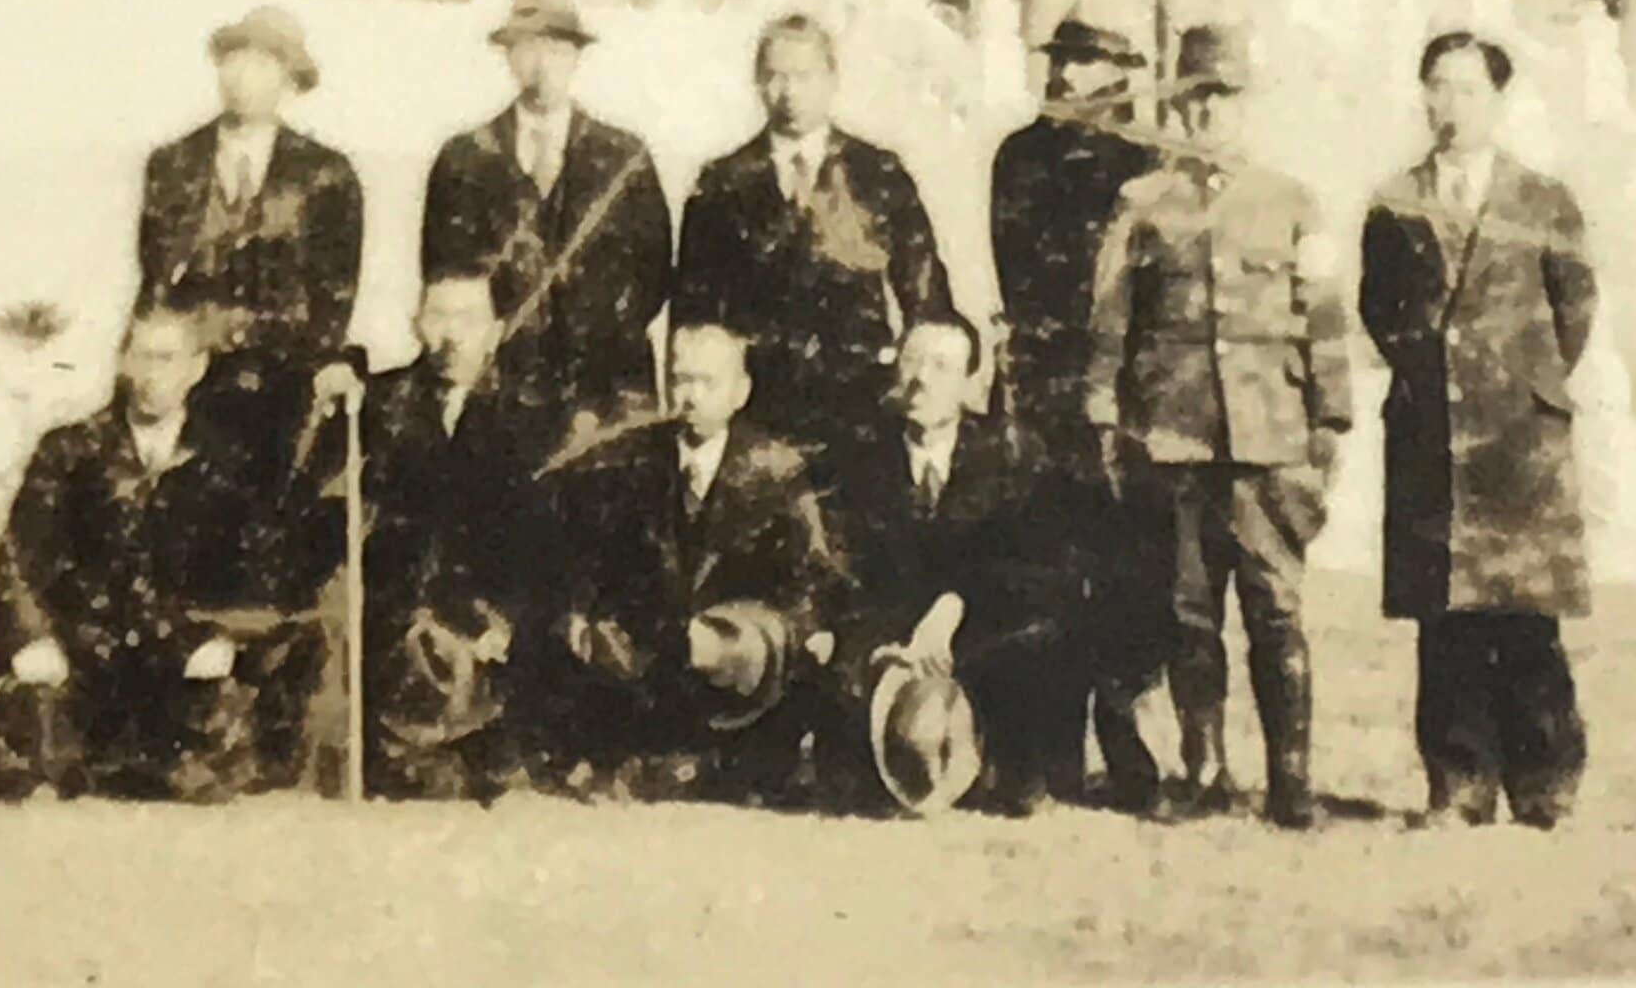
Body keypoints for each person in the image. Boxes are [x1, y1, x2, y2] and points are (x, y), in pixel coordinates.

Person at [1087, 24, 1352, 830]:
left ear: (1247, 104)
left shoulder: (1293, 201)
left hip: (1268, 444)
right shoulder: (1141, 205)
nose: (1209, 116)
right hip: (1173, 438)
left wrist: (1328, 421)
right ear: (1176, 105)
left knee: (1276, 611)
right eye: (1195, 98)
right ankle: (1203, 768)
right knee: (1188, 614)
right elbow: (1109, 320)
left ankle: (1291, 779)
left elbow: (1326, 317)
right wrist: (1103, 411)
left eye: (1224, 98)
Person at [1360, 31, 1597, 830]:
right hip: (1431, 435)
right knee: (1447, 618)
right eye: (1435, 86)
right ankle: (1458, 783)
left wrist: (1517, 385)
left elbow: (1573, 309)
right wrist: (1435, 380)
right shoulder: (1393, 199)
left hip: (1519, 442)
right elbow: (1378, 310)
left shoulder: (1544, 199)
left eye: (1465, 89)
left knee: (1526, 617)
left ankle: (1543, 782)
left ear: (1497, 100)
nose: (1448, 104)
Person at [0, 308, 302, 801]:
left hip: (180, 661)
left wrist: (221, 638)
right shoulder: (71, 451)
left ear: (197, 368)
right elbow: (21, 554)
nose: (153, 376)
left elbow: (261, 571)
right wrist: (31, 640)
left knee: (212, 741)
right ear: (123, 363)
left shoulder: (229, 463)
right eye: (142, 358)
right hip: (87, 657)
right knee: (37, 728)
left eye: (168, 359)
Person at [538, 323, 835, 803]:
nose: (690, 396)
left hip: (739, 679)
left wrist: (772, 637)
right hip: (646, 670)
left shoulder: (778, 471)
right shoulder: (627, 463)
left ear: (741, 392)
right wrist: (581, 615)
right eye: (680, 380)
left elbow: (812, 579)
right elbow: (587, 560)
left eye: (707, 382)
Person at [287, 270, 546, 800]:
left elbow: (539, 542)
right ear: (415, 324)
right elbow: (316, 501)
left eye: (468, 320)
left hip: (494, 625)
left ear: (496, 330)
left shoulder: (530, 416)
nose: (450, 335)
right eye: (437, 317)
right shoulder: (380, 405)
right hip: (400, 625)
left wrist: (507, 621)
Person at [987, 4, 1158, 805]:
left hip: (1129, 399)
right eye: (1059, 58)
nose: (1063, 73)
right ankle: (1046, 756)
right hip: (1042, 391)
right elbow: (1016, 271)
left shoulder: (1152, 162)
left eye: (1083, 61)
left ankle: (1128, 754)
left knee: (1129, 577)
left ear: (1122, 72)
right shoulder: (1018, 155)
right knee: (1043, 570)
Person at [821, 314, 1087, 816]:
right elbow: (844, 570)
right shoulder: (858, 461)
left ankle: (997, 765)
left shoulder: (1014, 457)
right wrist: (891, 643)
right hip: (892, 640)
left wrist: (954, 607)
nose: (921, 378)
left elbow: (1040, 571)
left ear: (970, 385)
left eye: (941, 367)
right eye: (912, 361)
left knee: (1037, 644)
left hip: (982, 632)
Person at [674, 13, 952, 475]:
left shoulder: (877, 173)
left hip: (860, 409)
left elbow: (925, 298)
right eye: (775, 76)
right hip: (756, 411)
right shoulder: (723, 183)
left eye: (804, 75)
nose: (790, 92)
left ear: (831, 79)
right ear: (758, 83)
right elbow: (695, 315)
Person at [420, 0, 672, 438]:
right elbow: (444, 278)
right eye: (526, 47)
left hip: (604, 391)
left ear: (577, 57)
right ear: (508, 57)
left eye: (556, 48)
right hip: (500, 390)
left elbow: (652, 276)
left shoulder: (623, 157)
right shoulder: (463, 160)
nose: (541, 64)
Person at [133, 5, 365, 449]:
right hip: (189, 385)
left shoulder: (326, 174)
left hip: (286, 388)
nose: (241, 77)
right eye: (233, 61)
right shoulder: (173, 165)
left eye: (261, 64)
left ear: (289, 79)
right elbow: (156, 282)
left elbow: (334, 298)